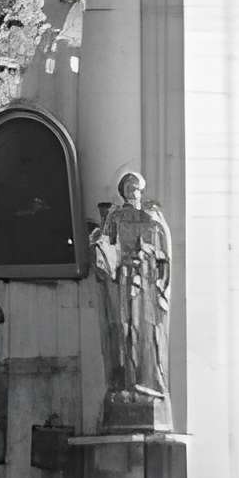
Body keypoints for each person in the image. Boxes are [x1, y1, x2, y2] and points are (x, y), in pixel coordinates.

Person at [90, 169, 174, 429]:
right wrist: (100, 245)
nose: (133, 191)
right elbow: (106, 247)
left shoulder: (152, 217)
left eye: (136, 187)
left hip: (147, 282)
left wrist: (148, 253)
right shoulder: (115, 217)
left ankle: (149, 382)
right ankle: (126, 381)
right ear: (123, 191)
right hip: (124, 280)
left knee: (148, 332)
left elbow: (164, 253)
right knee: (125, 331)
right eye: (128, 187)